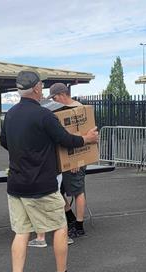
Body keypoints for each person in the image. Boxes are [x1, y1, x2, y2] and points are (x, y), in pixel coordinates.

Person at [0, 70, 98, 272]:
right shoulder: (44, 115)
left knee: (21, 232)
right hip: (41, 184)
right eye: (41, 85)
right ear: (36, 89)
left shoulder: (10, 115)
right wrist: (87, 139)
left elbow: (5, 142)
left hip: (16, 185)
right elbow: (66, 140)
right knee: (60, 226)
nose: (42, 88)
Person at [47, 83, 87, 238]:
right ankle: (70, 218)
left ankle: (79, 225)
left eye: (55, 98)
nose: (54, 101)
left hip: (76, 158)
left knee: (77, 191)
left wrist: (77, 160)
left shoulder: (77, 109)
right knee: (56, 191)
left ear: (62, 95)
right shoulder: (61, 110)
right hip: (63, 158)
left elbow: (83, 135)